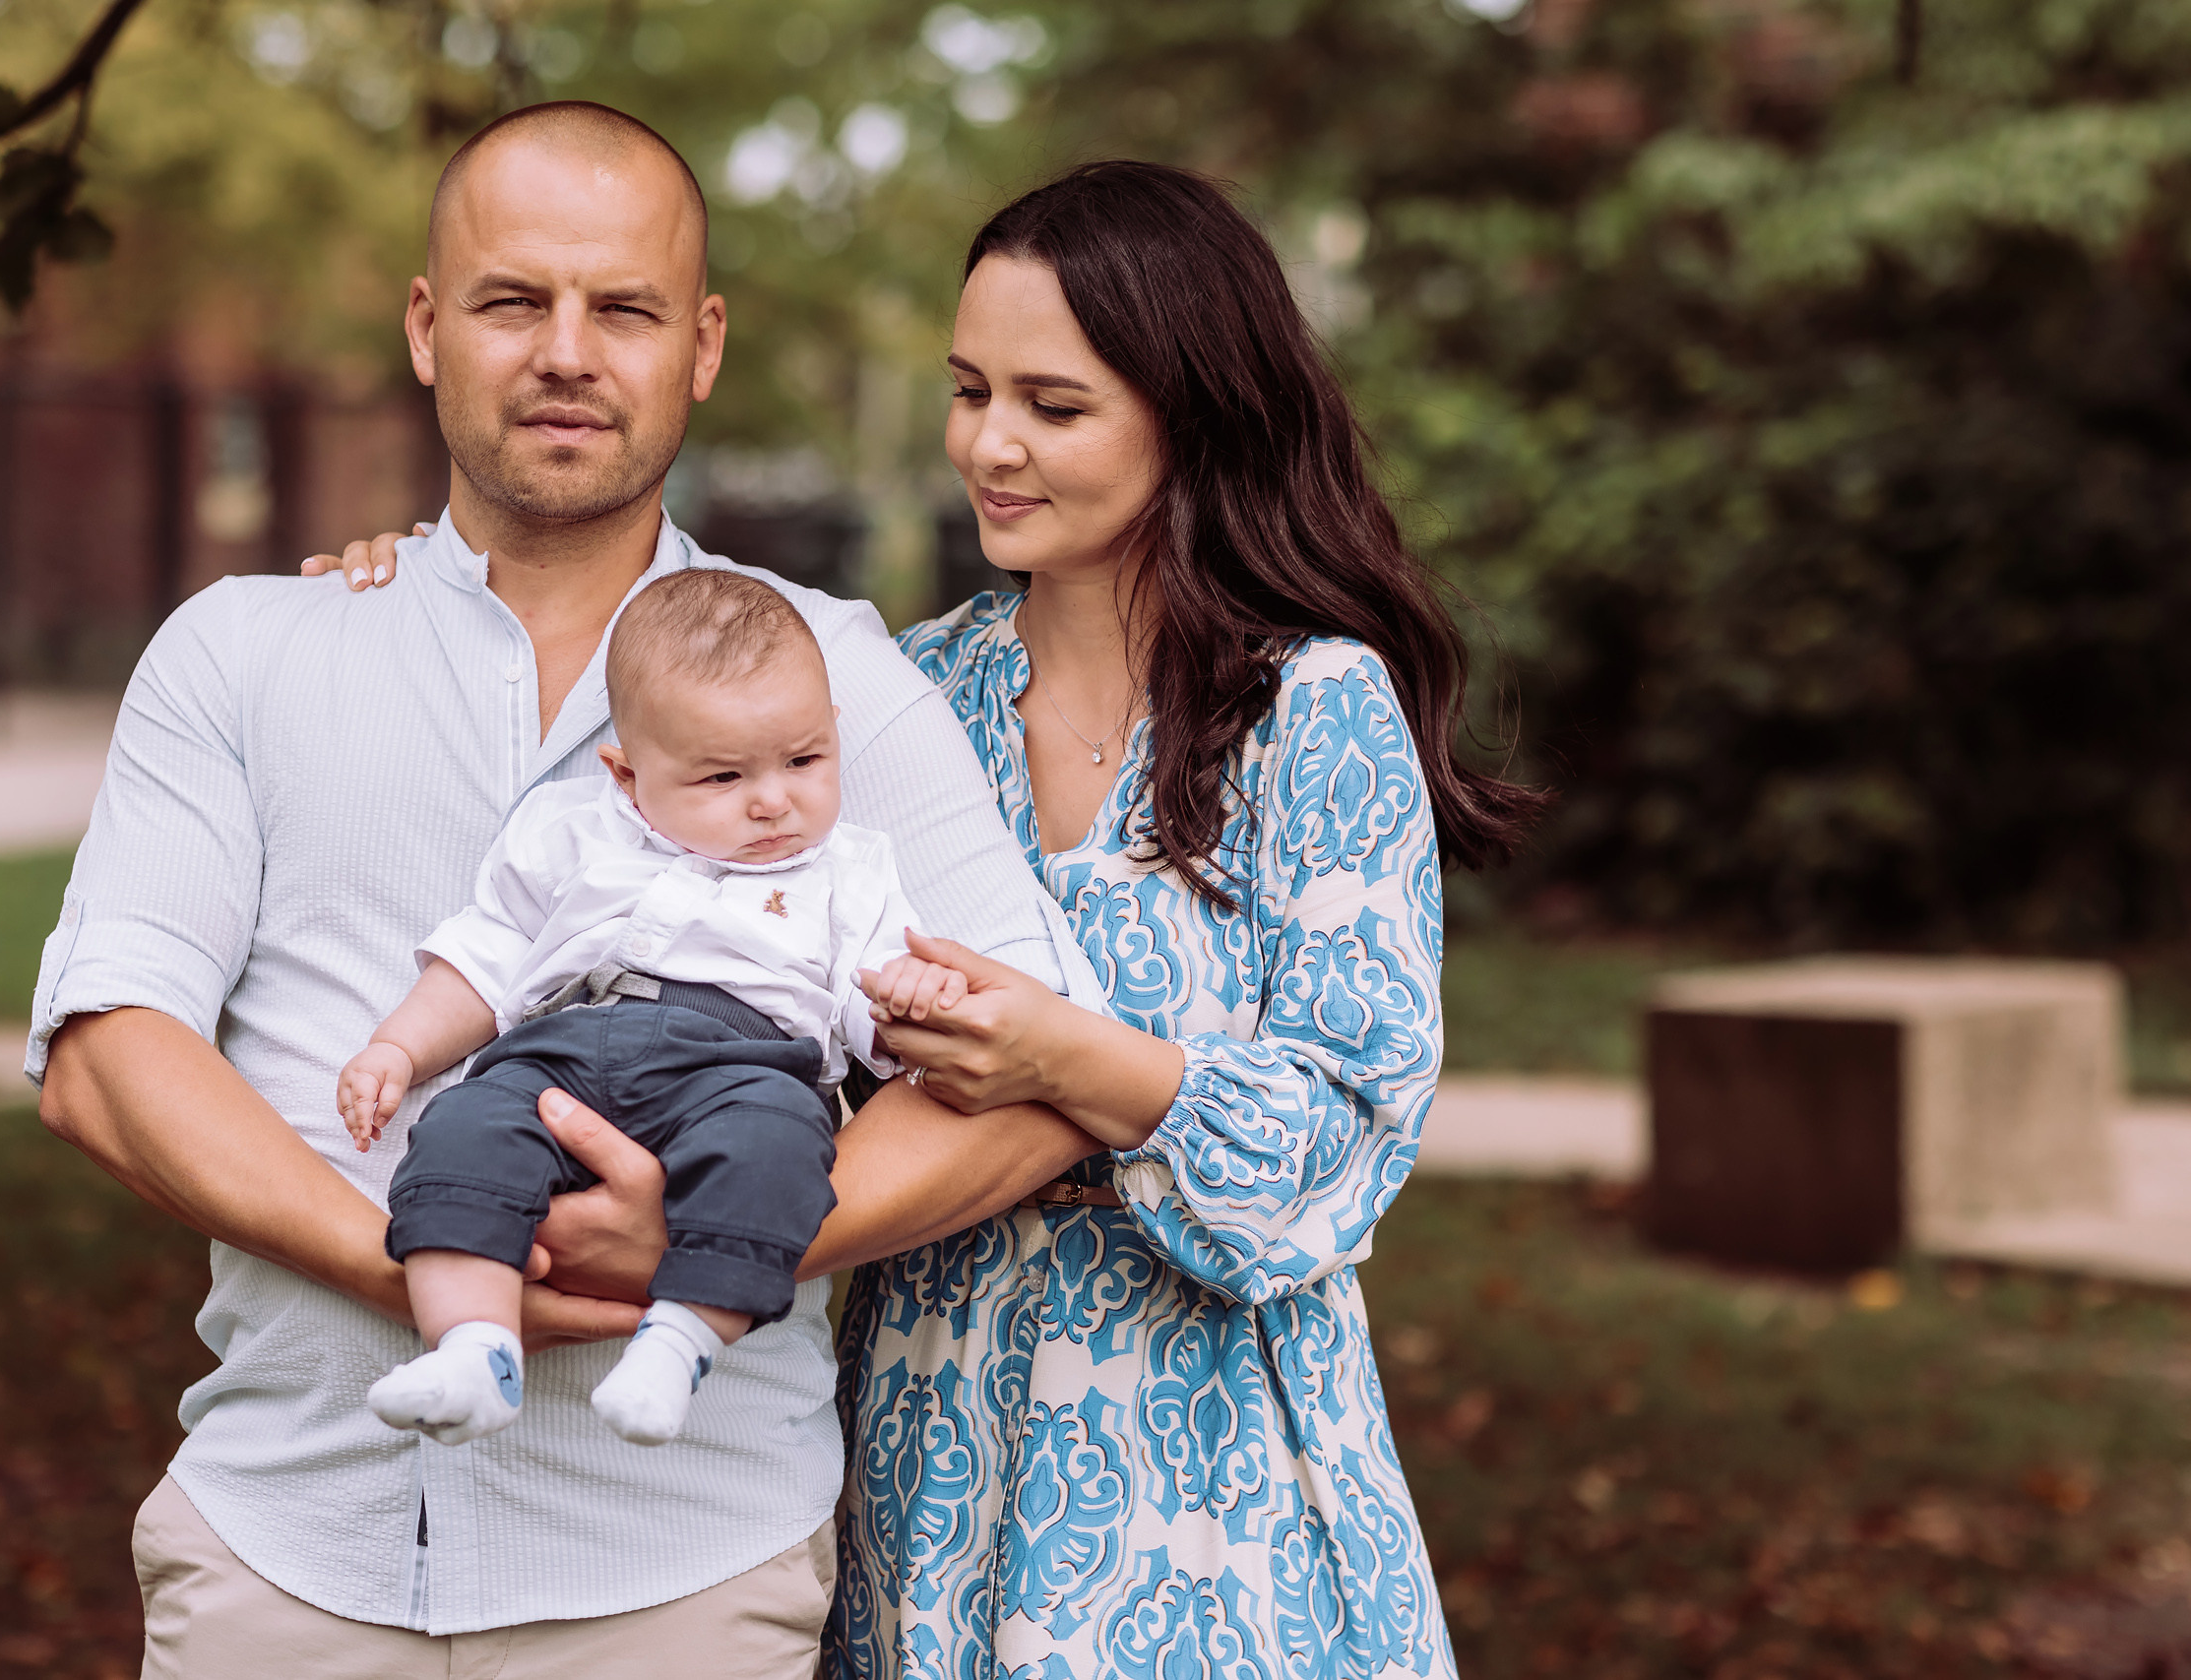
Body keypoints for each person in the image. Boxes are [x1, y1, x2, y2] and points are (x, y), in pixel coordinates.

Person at [316, 156, 1545, 1675]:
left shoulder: (1313, 709)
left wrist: (1064, 1055)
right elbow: (668, 756)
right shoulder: (906, 691)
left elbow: (1341, 1144)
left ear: (1194, 411)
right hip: (927, 1434)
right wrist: (406, 584)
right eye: (970, 391)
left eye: (1054, 404)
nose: (990, 444)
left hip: (1212, 1474)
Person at [31, 100, 1105, 1679]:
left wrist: (707, 1242)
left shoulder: (835, 683)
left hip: (678, 1574)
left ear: (702, 344)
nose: (566, 353)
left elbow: (1039, 1070)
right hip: (285, 1551)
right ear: (426, 327)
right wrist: (413, 1258)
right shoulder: (244, 652)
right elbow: (106, 1056)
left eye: (624, 309)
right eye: (511, 300)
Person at [337, 570, 969, 1451]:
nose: (773, 800)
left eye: (804, 760)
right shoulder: (569, 828)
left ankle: (677, 1346)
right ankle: (474, 1348)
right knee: (462, 1134)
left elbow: (873, 992)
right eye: (722, 776)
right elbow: (486, 955)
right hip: (558, 1048)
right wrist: (397, 1048)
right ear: (628, 775)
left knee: (777, 1156)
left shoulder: (848, 869)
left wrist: (910, 998)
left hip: (747, 1067)